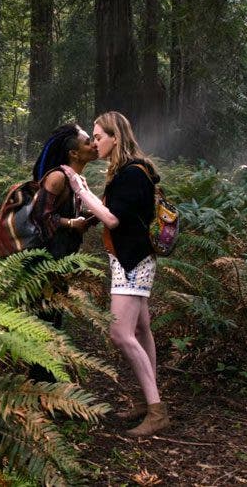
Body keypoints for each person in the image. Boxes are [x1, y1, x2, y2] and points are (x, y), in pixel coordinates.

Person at [66, 111, 170, 437]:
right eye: (93, 138)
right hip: (130, 258)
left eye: (99, 137)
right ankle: (147, 401)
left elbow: (113, 219)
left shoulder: (132, 173)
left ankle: (156, 410)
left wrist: (80, 189)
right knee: (140, 330)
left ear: (115, 136)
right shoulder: (127, 171)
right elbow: (117, 213)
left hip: (133, 261)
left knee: (120, 333)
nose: (94, 143)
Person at [25, 124, 98, 381]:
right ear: (74, 153)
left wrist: (88, 218)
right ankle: (40, 382)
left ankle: (47, 379)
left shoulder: (77, 179)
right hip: (44, 262)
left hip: (60, 261)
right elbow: (40, 217)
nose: (94, 145)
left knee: (53, 318)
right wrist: (70, 223)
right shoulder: (57, 178)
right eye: (88, 142)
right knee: (45, 319)